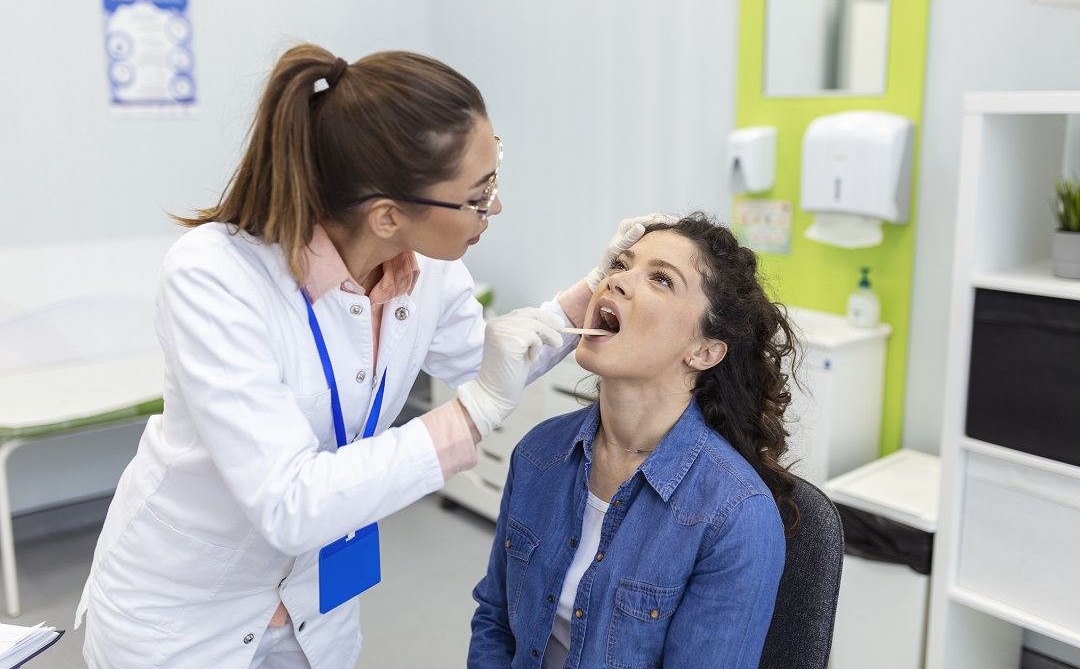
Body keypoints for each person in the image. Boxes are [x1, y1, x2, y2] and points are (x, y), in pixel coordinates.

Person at [74, 43, 668, 668]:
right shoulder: (214, 276)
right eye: (477, 192)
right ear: (388, 215)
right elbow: (290, 503)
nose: (496, 206)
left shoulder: (428, 273)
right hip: (184, 619)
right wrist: (471, 417)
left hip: (316, 607)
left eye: (496, 174)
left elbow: (485, 358)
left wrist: (593, 290)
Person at [469, 212, 801, 669]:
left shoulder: (736, 517)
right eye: (621, 266)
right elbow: (494, 622)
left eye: (662, 279)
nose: (617, 282)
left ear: (704, 351)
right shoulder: (538, 453)